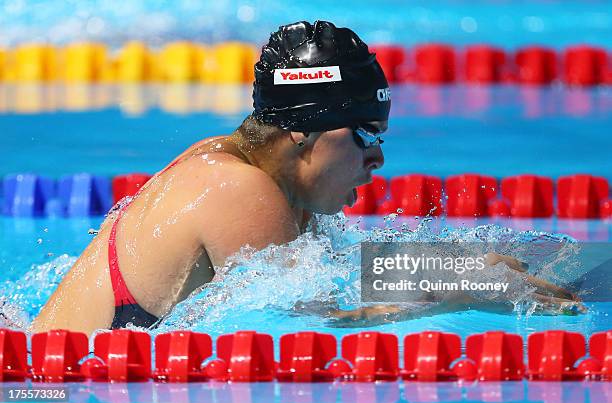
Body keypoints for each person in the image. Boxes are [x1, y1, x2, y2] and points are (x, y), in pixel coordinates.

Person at [32, 21, 581, 335]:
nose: (377, 160)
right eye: (365, 134)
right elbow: (308, 322)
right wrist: (464, 289)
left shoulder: (262, 175)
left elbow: (320, 280)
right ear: (307, 132)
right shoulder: (238, 188)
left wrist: (451, 266)